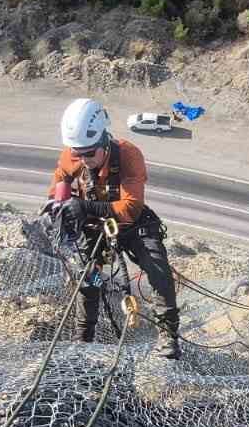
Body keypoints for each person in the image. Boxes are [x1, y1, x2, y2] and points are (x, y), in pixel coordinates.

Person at [49, 98, 182, 358]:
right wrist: (57, 207)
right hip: (95, 228)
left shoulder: (128, 155)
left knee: (157, 270)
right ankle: (83, 340)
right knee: (89, 279)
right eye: (78, 153)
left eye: (89, 152)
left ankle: (168, 337)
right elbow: (58, 184)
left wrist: (86, 208)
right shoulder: (73, 155)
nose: (84, 159)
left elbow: (130, 207)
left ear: (103, 142)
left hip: (131, 227)